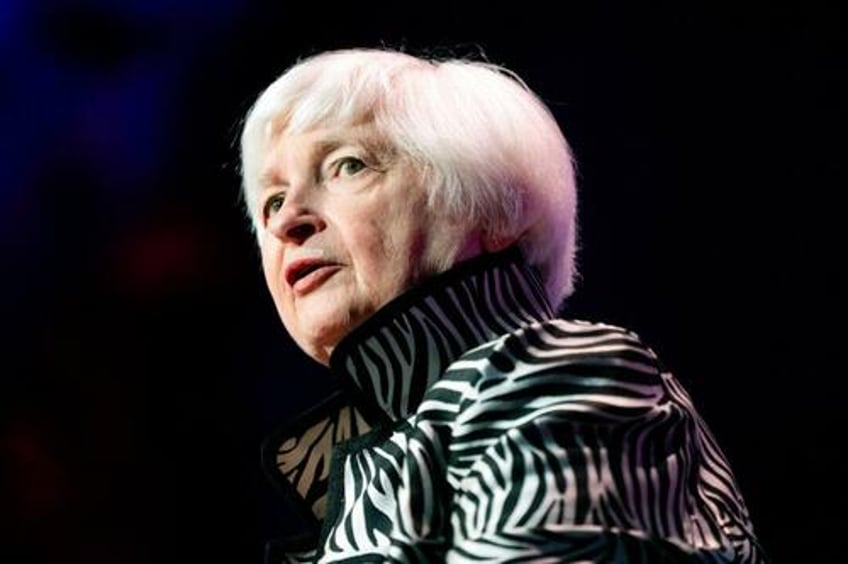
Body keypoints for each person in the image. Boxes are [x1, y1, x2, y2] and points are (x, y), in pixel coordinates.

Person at [239, 48, 765, 563]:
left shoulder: (560, 373)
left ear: (492, 209)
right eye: (273, 200)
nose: (286, 221)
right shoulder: (395, 455)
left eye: (347, 166)